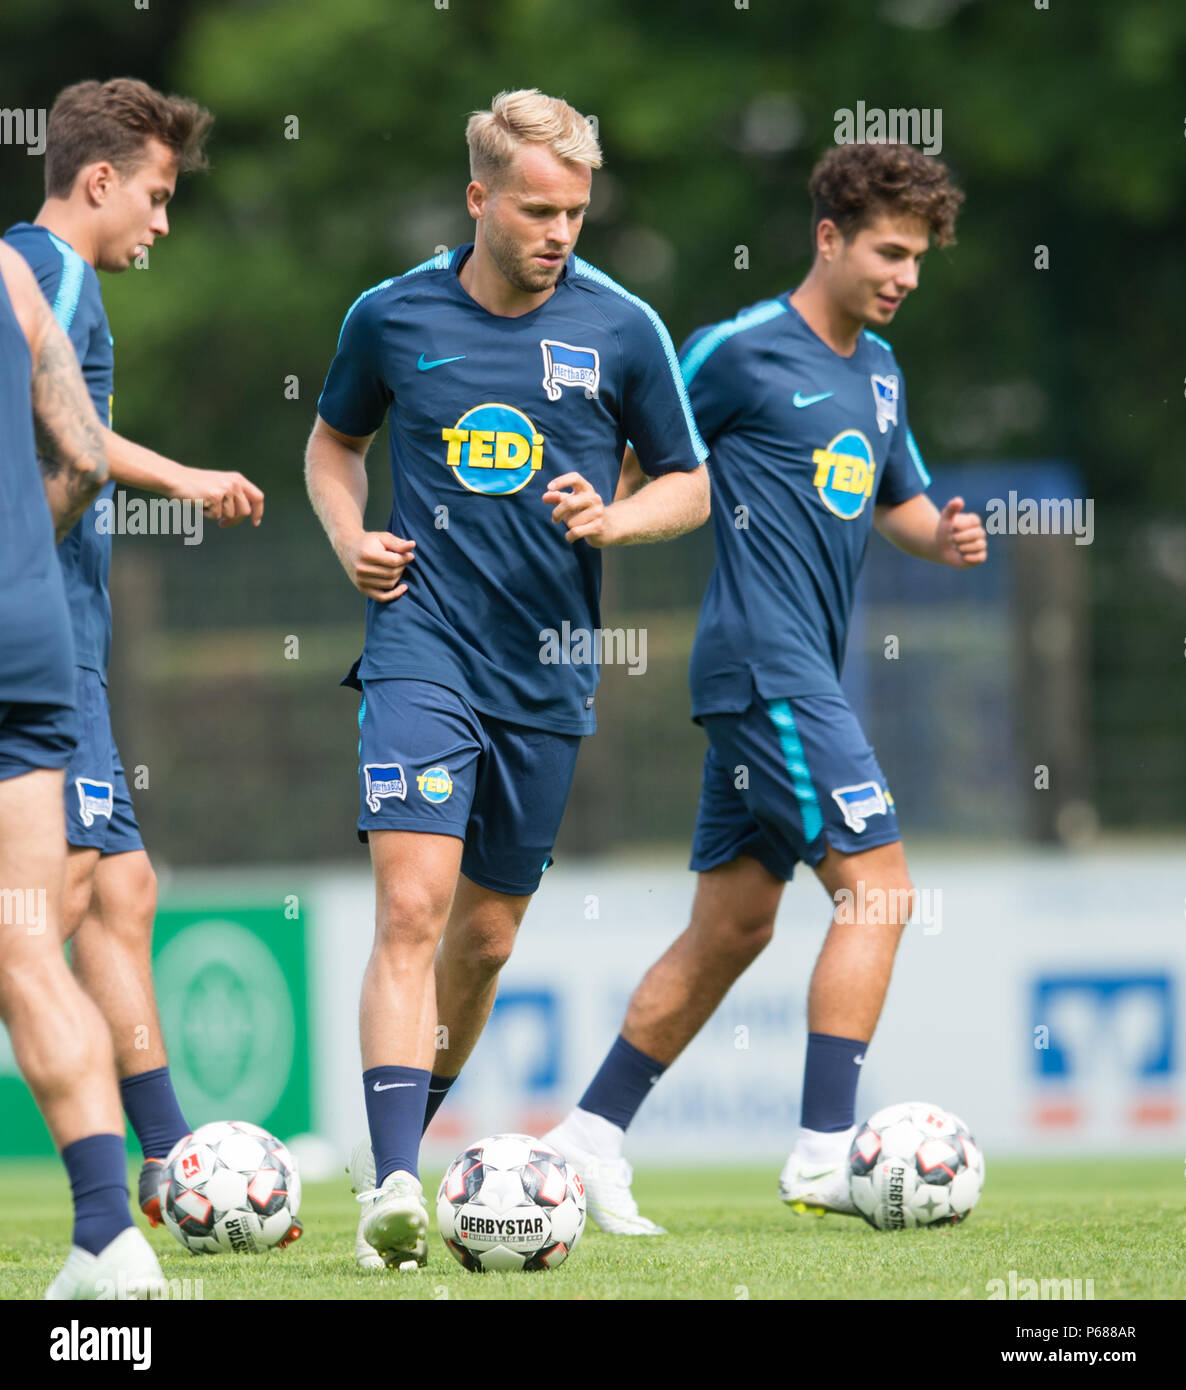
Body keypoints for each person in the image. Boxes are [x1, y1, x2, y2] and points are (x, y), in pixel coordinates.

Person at [544, 142, 986, 1232]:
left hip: (784, 677)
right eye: (890, 250)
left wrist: (951, 535)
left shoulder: (879, 371)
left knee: (731, 928)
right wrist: (596, 511)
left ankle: (585, 1138)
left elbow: (900, 505)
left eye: (919, 258)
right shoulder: (735, 351)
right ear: (827, 236)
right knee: (878, 891)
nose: (906, 275)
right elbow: (645, 461)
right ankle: (824, 1154)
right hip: (764, 665)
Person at [306, 88, 710, 1270]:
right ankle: (390, 1181)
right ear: (477, 197)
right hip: (419, 645)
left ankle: (403, 1137)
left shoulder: (623, 328)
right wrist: (348, 539)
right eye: (537, 208)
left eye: (576, 211)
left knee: (480, 941)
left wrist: (617, 520)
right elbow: (335, 442)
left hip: (549, 671)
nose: (559, 232)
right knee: (412, 910)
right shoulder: (388, 317)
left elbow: (687, 482)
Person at [3, 78, 269, 1229]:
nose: (163, 224)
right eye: (157, 199)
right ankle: (129, 1184)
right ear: (99, 181)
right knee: (46, 908)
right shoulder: (45, 268)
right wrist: (189, 475)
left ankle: (167, 1160)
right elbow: (69, 442)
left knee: (122, 887)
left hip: (67, 637)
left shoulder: (42, 271)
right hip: (42, 641)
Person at [0, 238, 167, 1298]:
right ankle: (109, 1238)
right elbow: (85, 453)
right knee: (25, 941)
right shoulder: (11, 276)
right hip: (27, 631)